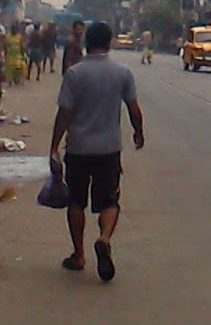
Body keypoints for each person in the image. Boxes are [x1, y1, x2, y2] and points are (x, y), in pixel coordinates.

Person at [50, 22, 144, 281]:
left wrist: (54, 146)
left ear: (87, 42)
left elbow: (64, 112)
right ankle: (104, 238)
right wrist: (138, 132)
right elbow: (133, 108)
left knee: (76, 201)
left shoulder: (75, 74)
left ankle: (79, 255)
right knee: (110, 201)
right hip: (109, 149)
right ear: (110, 42)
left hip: (78, 148)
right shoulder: (123, 73)